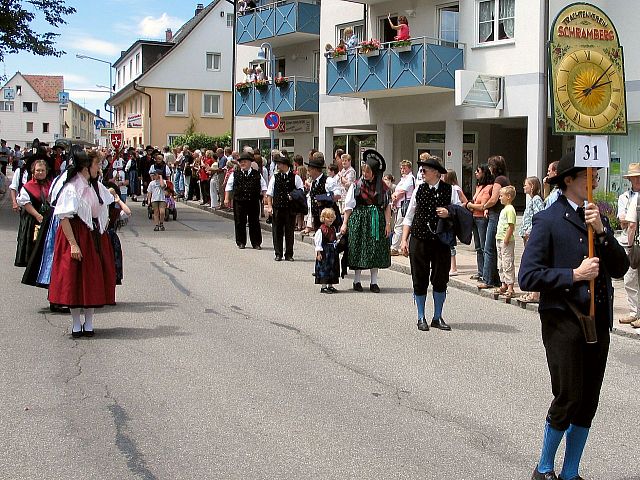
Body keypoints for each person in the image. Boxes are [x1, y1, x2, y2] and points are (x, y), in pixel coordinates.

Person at [519, 153, 628, 480]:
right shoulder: (549, 220)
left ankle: (570, 472)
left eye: (595, 173)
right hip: (563, 322)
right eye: (587, 174)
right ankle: (544, 468)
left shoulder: (599, 217)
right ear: (568, 180)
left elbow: (621, 268)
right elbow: (528, 276)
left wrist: (603, 233)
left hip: (598, 323)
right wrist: (573, 274)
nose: (594, 180)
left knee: (589, 400)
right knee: (568, 396)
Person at [48, 150, 117, 337]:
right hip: (77, 234)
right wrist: (73, 244)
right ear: (87, 166)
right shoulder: (72, 188)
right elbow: (63, 217)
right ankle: (76, 322)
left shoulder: (94, 185)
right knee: (75, 279)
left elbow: (108, 202)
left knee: (92, 278)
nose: (99, 168)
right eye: (97, 165)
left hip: (93, 235)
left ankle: (89, 322)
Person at [400, 156, 455, 331]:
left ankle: (437, 317)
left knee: (440, 278)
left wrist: (448, 212)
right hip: (419, 238)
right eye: (421, 170)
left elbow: (459, 210)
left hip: (441, 241)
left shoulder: (449, 190)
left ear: (437, 173)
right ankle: (421, 316)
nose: (422, 173)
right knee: (419, 277)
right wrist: (403, 240)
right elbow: (409, 216)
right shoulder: (419, 190)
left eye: (425, 170)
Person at [340, 149, 391, 293]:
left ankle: (374, 282)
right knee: (358, 249)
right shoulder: (356, 185)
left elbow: (387, 207)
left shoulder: (383, 187)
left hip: (377, 220)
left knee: (375, 250)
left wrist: (387, 225)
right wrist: (345, 223)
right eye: (363, 172)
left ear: (374, 172)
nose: (365, 174)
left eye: (367, 172)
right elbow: (349, 206)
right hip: (359, 220)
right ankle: (357, 281)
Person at [477, 155, 510, 289]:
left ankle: (488, 279)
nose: (489, 168)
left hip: (495, 214)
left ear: (494, 167)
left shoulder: (498, 180)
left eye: (490, 166)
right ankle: (495, 278)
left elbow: (494, 198)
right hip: (497, 214)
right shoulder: (505, 179)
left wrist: (483, 207)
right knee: (493, 248)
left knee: (488, 248)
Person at [224, 152, 267, 249]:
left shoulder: (257, 174)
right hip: (239, 201)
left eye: (244, 162)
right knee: (240, 221)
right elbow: (228, 186)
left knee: (254, 221)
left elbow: (264, 186)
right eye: (241, 162)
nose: (242, 163)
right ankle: (241, 242)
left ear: (250, 162)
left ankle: (256, 243)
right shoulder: (235, 174)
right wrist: (226, 198)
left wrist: (265, 197)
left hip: (253, 201)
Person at [265, 153, 304, 260]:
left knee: (289, 232)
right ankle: (278, 253)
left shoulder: (295, 177)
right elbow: (270, 193)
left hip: (290, 208)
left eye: (280, 164)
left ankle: (289, 254)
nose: (278, 166)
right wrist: (269, 207)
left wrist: (293, 195)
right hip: (277, 207)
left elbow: (301, 191)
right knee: (277, 231)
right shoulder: (275, 177)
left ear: (285, 165)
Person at [15, 159, 51, 267]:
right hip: (32, 219)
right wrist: (37, 215)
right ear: (33, 171)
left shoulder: (50, 184)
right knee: (32, 243)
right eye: (38, 170)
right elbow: (26, 204)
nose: (40, 173)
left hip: (46, 219)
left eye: (42, 170)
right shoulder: (27, 187)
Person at [619, 163, 640, 328]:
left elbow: (630, 222)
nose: (637, 179)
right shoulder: (625, 197)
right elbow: (622, 220)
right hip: (629, 242)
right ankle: (635, 312)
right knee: (630, 279)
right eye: (635, 177)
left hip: (634, 242)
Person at [465, 164, 494, 281]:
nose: (476, 173)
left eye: (478, 171)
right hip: (475, 217)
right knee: (477, 247)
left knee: (483, 246)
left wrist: (471, 205)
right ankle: (480, 271)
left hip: (482, 218)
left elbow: (483, 205)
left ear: (484, 173)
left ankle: (486, 273)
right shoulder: (479, 186)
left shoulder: (489, 187)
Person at [518, 176, 545, 303]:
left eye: (526, 185)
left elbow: (539, 216)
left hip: (531, 235)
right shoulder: (532, 200)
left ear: (532, 186)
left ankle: (535, 293)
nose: (524, 187)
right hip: (527, 235)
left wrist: (531, 232)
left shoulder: (537, 200)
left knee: (533, 263)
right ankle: (531, 291)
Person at [444, 169, 467, 276]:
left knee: (450, 242)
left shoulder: (454, 188)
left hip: (450, 217)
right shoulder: (446, 188)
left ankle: (453, 267)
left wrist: (456, 209)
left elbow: (464, 201)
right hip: (447, 217)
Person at [494, 185, 516, 298]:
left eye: (501, 196)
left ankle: (510, 286)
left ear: (508, 196)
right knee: (501, 263)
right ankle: (503, 283)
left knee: (507, 263)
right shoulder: (504, 209)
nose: (499, 198)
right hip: (500, 238)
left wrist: (506, 238)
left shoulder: (510, 210)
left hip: (506, 240)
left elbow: (511, 226)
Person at [315, 208, 340, 293]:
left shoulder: (332, 228)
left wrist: (339, 236)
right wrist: (318, 253)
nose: (330, 219)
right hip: (325, 252)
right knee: (324, 268)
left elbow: (333, 237)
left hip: (332, 252)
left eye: (332, 217)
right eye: (328, 217)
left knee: (333, 268)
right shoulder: (321, 230)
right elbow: (318, 242)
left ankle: (330, 285)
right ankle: (324, 286)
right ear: (323, 218)